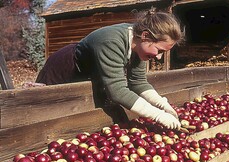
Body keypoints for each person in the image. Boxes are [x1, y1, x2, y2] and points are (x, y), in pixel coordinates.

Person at [36, 10, 184, 129]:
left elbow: (138, 82)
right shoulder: (112, 41)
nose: (158, 57)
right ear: (146, 36)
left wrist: (163, 104)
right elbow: (118, 92)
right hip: (66, 68)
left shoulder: (139, 45)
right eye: (159, 51)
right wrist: (158, 116)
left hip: (90, 72)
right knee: (45, 110)